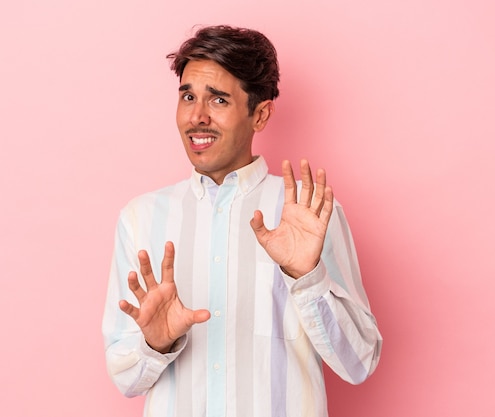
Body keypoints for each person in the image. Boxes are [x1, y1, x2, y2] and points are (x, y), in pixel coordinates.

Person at [102, 25, 382, 417]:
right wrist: (155, 345)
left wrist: (307, 277)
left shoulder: (308, 214)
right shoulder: (141, 218)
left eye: (218, 100)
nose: (196, 117)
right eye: (188, 96)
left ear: (261, 114)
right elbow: (124, 378)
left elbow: (360, 362)